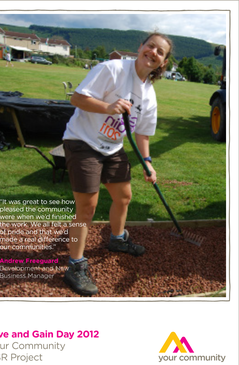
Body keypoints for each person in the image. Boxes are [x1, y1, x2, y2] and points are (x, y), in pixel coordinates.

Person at [62, 32, 173, 296]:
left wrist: (147, 162)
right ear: (141, 47)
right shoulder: (112, 69)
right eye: (150, 46)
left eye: (160, 52)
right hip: (83, 141)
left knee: (124, 197)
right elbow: (76, 98)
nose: (153, 52)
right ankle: (75, 264)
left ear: (163, 63)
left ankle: (117, 239)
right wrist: (108, 107)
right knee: (87, 207)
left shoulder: (149, 94)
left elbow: (142, 134)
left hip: (113, 148)